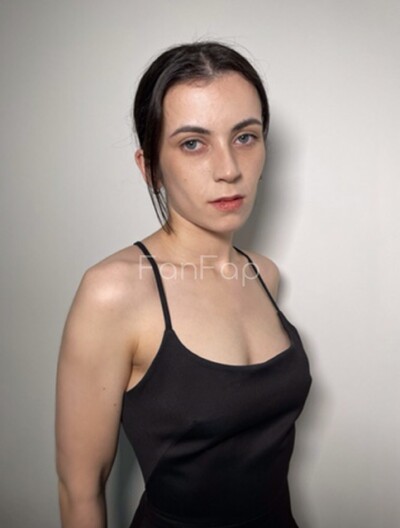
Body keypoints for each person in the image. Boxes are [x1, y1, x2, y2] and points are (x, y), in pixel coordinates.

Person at [55, 41, 312, 528]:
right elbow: (80, 489)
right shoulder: (114, 293)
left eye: (245, 137)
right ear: (150, 167)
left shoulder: (264, 275)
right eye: (193, 143)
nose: (229, 169)